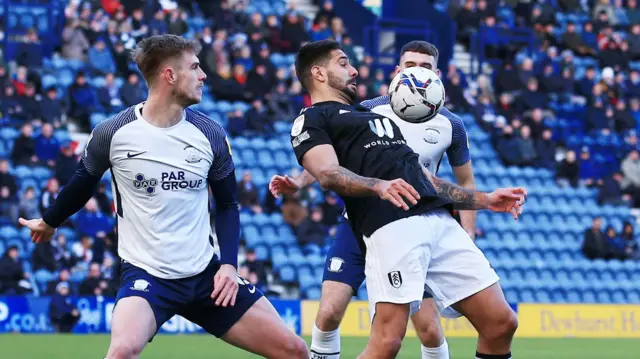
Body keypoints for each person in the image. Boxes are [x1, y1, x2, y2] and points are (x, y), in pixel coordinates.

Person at [19, 34, 307, 359]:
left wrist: (228, 265)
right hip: (147, 276)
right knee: (122, 351)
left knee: (294, 350)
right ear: (169, 75)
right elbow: (82, 183)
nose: (204, 75)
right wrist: (50, 221)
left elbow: (227, 205)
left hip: (206, 277)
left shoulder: (210, 134)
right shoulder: (112, 133)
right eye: (195, 67)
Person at [286, 39, 524, 359]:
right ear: (318, 73)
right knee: (387, 342)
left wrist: (485, 199)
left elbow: (424, 178)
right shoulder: (313, 119)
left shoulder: (378, 118)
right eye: (343, 63)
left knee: (501, 322)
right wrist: (377, 186)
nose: (354, 70)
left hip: (440, 222)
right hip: (391, 226)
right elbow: (327, 173)